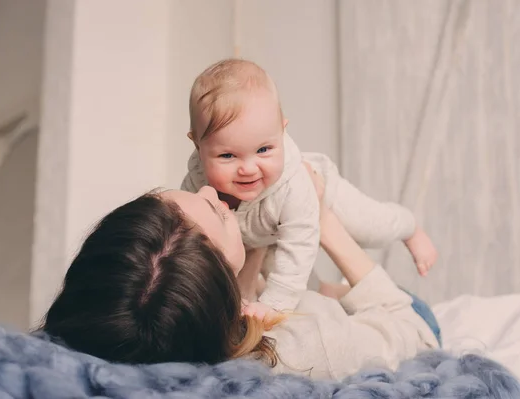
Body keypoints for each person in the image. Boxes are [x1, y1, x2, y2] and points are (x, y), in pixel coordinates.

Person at [42, 166, 441, 379]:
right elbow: (418, 338)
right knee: (326, 290)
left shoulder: (133, 326)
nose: (209, 191)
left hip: (291, 300)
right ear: (214, 290)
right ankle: (333, 292)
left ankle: (328, 291)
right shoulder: (305, 348)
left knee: (306, 281)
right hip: (405, 317)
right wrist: (322, 219)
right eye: (218, 212)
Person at [181, 58, 438, 316]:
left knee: (370, 229)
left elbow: (299, 246)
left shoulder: (292, 186)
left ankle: (409, 226)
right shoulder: (196, 185)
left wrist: (274, 305)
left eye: (264, 150)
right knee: (300, 291)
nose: (248, 168)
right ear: (197, 146)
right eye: (227, 156)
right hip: (263, 230)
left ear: (282, 131)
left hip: (316, 195)